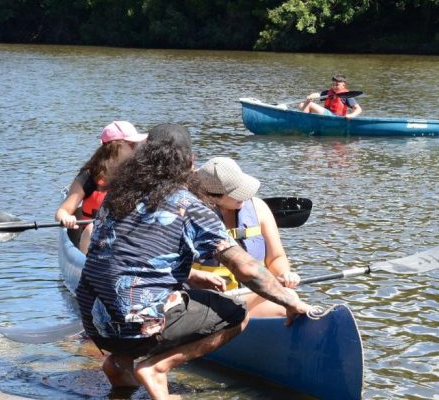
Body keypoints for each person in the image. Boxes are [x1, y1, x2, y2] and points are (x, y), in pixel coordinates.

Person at [76, 123, 310, 399]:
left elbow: (123, 257)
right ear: (189, 163)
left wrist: (189, 276)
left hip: (94, 322)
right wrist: (290, 301)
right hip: (137, 322)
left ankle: (119, 365)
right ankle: (157, 368)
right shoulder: (189, 205)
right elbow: (246, 267)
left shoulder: (116, 197)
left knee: (132, 304)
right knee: (236, 313)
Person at [194, 157, 301, 317]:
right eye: (236, 193)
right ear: (212, 196)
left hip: (249, 296)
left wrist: (284, 274)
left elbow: (276, 257)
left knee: (290, 300)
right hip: (206, 302)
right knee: (289, 299)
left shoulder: (259, 208)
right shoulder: (189, 215)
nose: (245, 196)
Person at [56, 121, 147, 253]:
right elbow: (62, 212)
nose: (137, 148)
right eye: (133, 144)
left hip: (125, 237)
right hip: (92, 241)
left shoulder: (139, 174)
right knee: (91, 228)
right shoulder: (88, 177)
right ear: (116, 147)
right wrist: (66, 218)